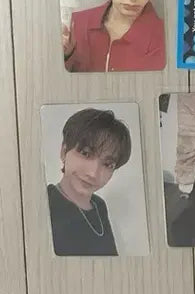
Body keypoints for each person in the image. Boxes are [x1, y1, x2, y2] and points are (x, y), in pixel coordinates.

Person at [46, 108, 131, 256]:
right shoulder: (45, 204)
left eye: (107, 164)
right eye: (86, 154)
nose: (93, 173)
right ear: (64, 152)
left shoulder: (99, 205)